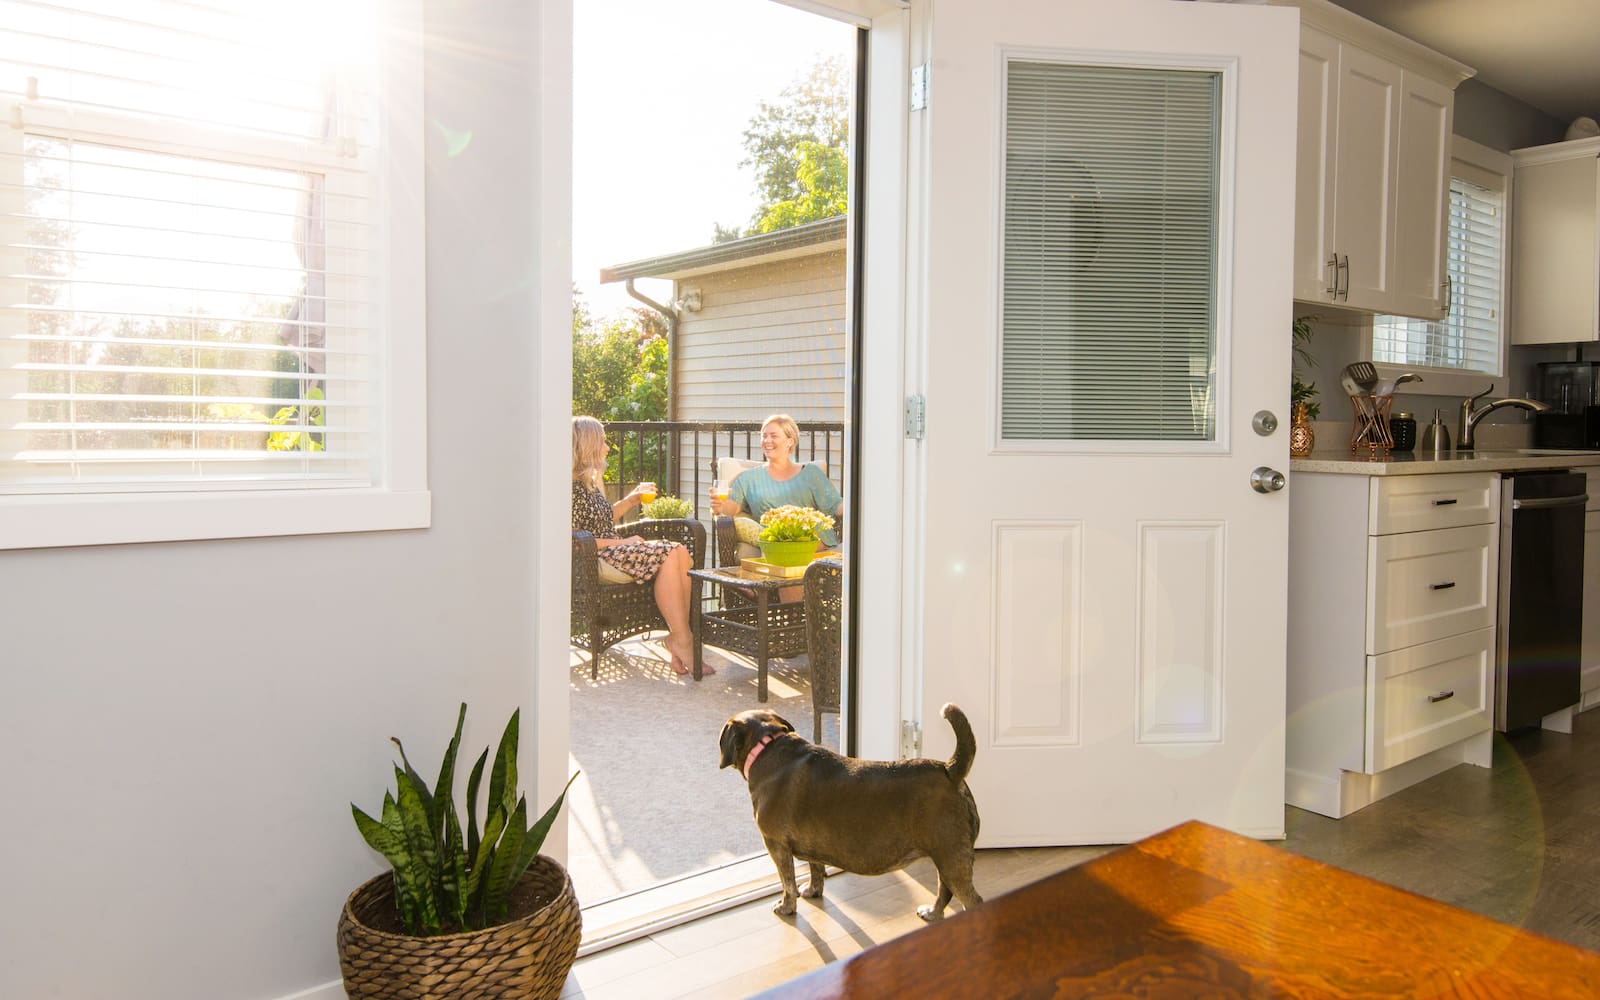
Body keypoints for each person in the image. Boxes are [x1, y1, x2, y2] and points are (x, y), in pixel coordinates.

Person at [571, 416, 709, 675]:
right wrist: (623, 542)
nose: (607, 448)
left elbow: (603, 519)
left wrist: (632, 500)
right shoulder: (569, 487)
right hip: (596, 558)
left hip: (612, 551)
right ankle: (682, 640)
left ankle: (680, 636)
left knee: (679, 551)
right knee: (670, 553)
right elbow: (572, 541)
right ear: (588, 446)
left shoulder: (588, 483)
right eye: (602, 442)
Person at [708, 413, 843, 549]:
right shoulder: (749, 478)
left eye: (774, 436)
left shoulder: (810, 473)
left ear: (790, 441)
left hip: (814, 541)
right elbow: (733, 507)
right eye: (764, 436)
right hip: (776, 543)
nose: (767, 441)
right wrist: (720, 506)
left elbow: (835, 505)